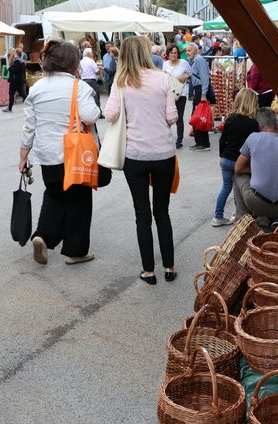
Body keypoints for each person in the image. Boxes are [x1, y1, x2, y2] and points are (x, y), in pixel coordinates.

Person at [19, 40, 100, 267]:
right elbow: (90, 115)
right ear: (73, 62)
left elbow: (29, 126)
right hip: (74, 153)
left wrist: (23, 156)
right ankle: (76, 251)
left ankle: (42, 236)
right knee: (79, 201)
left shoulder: (37, 88)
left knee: (54, 195)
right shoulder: (79, 87)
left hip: (46, 154)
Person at [105, 36, 178, 285]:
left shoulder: (121, 81)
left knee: (142, 213)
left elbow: (110, 114)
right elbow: (172, 117)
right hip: (164, 154)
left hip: (135, 155)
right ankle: (169, 267)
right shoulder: (163, 78)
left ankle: (149, 271)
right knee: (162, 211)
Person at [232, 107, 278, 223]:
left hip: (258, 203)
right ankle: (277, 219)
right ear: (276, 125)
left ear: (259, 126)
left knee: (237, 176)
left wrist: (255, 170)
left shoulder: (253, 138)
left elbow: (238, 169)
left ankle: (242, 220)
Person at [214, 88, 259, 227]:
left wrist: (222, 155)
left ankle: (217, 217)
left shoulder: (230, 119)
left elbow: (222, 141)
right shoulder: (253, 124)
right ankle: (239, 214)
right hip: (242, 162)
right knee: (241, 188)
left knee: (225, 188)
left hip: (226, 159)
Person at [162, 44, 192, 150]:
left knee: (179, 117)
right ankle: (166, 138)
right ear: (168, 54)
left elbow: (191, 73)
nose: (174, 55)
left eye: (175, 53)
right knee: (167, 117)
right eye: (172, 53)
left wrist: (184, 77)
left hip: (181, 94)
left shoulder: (183, 63)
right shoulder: (165, 64)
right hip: (168, 94)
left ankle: (179, 141)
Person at [187, 43, 212, 151]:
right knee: (197, 115)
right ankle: (199, 142)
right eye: (187, 51)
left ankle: (203, 143)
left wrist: (203, 94)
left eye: (189, 50)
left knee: (198, 116)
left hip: (200, 90)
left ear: (195, 51)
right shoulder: (195, 60)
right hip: (198, 90)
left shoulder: (199, 60)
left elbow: (205, 78)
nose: (187, 53)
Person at [3, 49, 27, 113]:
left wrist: (9, 68)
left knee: (11, 94)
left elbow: (15, 70)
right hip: (20, 80)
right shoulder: (22, 61)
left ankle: (9, 108)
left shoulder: (17, 61)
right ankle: (32, 104)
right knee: (22, 94)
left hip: (15, 81)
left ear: (15, 53)